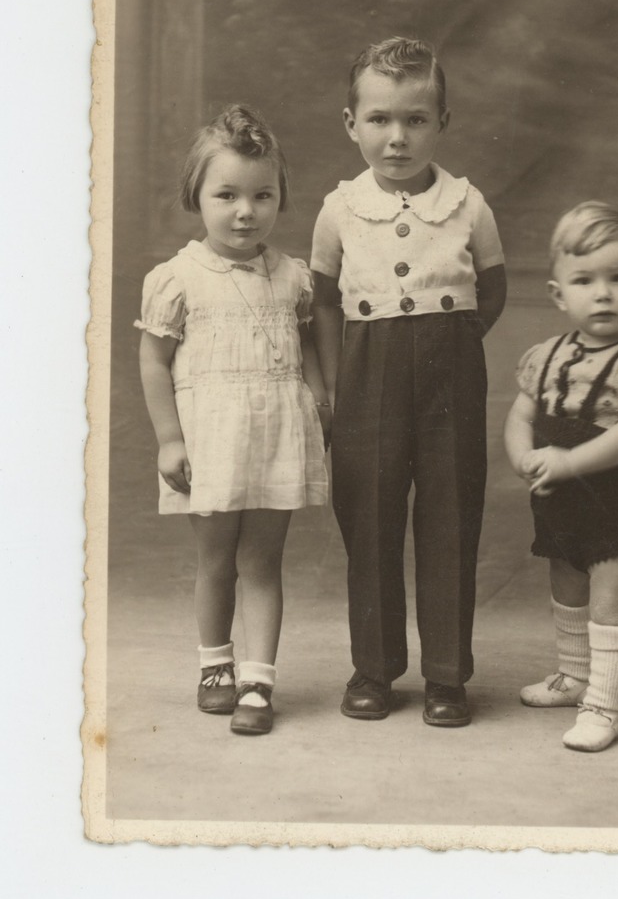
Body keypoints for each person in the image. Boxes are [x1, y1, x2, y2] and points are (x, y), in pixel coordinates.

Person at [311, 37, 506, 727]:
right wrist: (335, 390)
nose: (397, 138)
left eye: (415, 120)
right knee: (368, 519)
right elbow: (325, 303)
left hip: (449, 376)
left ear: (442, 123)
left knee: (451, 518)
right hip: (366, 379)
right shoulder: (338, 210)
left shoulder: (467, 205)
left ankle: (447, 676)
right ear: (351, 123)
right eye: (380, 120)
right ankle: (373, 670)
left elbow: (492, 289)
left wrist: (448, 348)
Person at [135, 105, 330, 736]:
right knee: (217, 559)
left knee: (264, 562)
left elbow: (306, 345)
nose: (245, 211)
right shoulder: (177, 278)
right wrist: (169, 438)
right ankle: (215, 665)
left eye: (261, 195)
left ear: (279, 198)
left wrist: (320, 400)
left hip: (277, 436)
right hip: (211, 441)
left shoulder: (293, 278)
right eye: (227, 195)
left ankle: (258, 680)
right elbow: (154, 360)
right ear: (197, 196)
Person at [504, 201, 618, 751]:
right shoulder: (545, 356)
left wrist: (570, 461)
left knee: (612, 603)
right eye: (585, 280)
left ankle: (604, 705)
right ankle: (574, 675)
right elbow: (521, 416)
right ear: (558, 293)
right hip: (563, 501)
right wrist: (523, 455)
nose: (602, 293)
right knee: (568, 587)